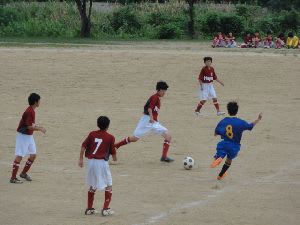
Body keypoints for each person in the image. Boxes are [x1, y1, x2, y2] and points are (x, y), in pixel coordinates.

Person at [114, 81, 174, 162]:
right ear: (159, 90)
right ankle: (116, 146)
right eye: (163, 91)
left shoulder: (157, 98)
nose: (164, 93)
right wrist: (151, 117)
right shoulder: (155, 97)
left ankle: (164, 157)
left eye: (165, 91)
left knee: (168, 136)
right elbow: (150, 108)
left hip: (153, 122)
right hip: (148, 121)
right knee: (135, 138)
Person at [210, 102, 262, 180]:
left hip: (224, 143)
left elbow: (215, 133)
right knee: (229, 159)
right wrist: (258, 119)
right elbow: (250, 126)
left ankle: (219, 157)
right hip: (235, 146)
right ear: (237, 111)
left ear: (228, 111)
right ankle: (220, 175)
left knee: (221, 152)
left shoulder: (223, 121)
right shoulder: (240, 122)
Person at [78, 116, 117, 216]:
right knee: (109, 184)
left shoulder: (92, 134)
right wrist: (115, 159)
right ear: (108, 126)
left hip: (91, 162)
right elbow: (113, 153)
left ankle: (89, 208)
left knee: (93, 184)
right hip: (101, 163)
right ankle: (106, 209)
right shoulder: (110, 137)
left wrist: (81, 159)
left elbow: (83, 146)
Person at [10, 93, 46, 184]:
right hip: (23, 136)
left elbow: (31, 125)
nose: (40, 102)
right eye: (39, 100)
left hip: (29, 136)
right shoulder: (29, 112)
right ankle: (13, 178)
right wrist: (40, 129)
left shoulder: (32, 110)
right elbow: (29, 126)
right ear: (35, 102)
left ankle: (23, 173)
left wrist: (38, 126)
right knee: (20, 155)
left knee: (33, 155)